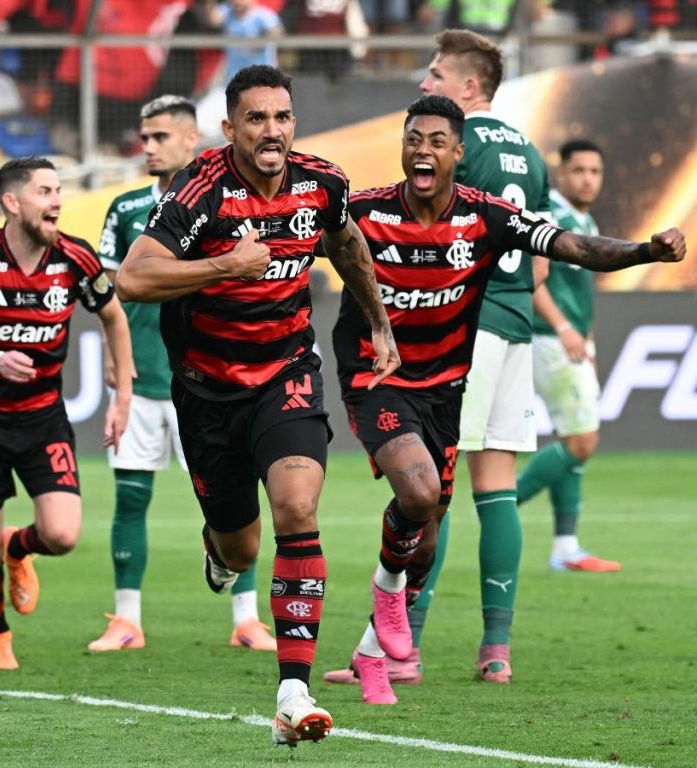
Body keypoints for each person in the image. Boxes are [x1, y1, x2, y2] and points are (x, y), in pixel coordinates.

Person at [320, 95, 685, 705]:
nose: (422, 149)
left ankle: (372, 649)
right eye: (413, 138)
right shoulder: (363, 211)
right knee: (417, 493)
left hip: (444, 390)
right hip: (377, 378)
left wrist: (645, 251)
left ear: (458, 155)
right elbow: (294, 241)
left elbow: (571, 246)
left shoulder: (486, 215)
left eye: (437, 140)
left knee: (427, 528)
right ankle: (391, 609)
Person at [116, 64, 400, 747]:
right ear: (229, 128)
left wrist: (381, 324)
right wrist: (223, 266)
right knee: (240, 547)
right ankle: (220, 554)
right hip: (208, 391)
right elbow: (133, 277)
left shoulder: (321, 182)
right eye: (256, 119)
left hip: (286, 373)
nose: (271, 131)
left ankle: (292, 692)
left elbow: (348, 246)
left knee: (298, 506)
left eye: (281, 117)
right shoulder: (200, 188)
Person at [88, 95, 276, 654]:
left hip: (214, 377)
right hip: (144, 379)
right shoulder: (124, 211)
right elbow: (106, 298)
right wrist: (116, 378)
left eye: (159, 137)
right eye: (143, 138)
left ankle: (247, 619)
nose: (147, 147)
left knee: (237, 500)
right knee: (130, 498)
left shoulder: (226, 201)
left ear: (192, 139)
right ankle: (126, 620)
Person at [0, 156, 133, 670]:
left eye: (58, 192)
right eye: (45, 192)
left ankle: (17, 547)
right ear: (12, 202)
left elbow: (114, 317)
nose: (57, 202)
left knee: (62, 536)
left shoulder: (76, 258)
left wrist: (121, 394)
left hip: (43, 417)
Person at [416, 27, 551, 684]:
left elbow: (428, 236)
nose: (425, 83)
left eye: (436, 74)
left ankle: (397, 644)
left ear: (469, 87)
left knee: (430, 491)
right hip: (519, 321)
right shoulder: (530, 151)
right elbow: (545, 266)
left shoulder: (454, 146)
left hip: (468, 330)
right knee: (494, 488)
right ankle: (495, 649)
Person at [517, 139, 620, 572]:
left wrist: (586, 337)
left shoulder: (586, 221)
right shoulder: (552, 219)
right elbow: (534, 281)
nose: (588, 179)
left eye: (595, 172)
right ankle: (501, 503)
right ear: (562, 173)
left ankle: (566, 547)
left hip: (573, 340)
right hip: (548, 338)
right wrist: (564, 329)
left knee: (571, 436)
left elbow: (580, 292)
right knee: (582, 441)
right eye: (579, 171)